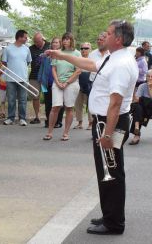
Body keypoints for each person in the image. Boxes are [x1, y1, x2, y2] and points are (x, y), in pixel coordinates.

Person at [46, 20, 138, 235]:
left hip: (110, 123)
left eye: (108, 33)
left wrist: (107, 135)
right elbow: (89, 65)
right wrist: (61, 55)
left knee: (111, 172)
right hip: (106, 121)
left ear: (118, 38)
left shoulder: (121, 64)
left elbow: (115, 103)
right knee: (107, 170)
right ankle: (110, 215)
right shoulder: (113, 58)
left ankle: (114, 222)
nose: (104, 36)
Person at [43, 32, 81, 141]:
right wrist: (58, 81)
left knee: (69, 107)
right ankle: (49, 132)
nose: (65, 41)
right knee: (55, 107)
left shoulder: (77, 53)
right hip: (58, 83)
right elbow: (53, 68)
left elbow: (78, 71)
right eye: (64, 39)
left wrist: (67, 82)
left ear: (71, 41)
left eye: (67, 39)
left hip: (71, 83)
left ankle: (65, 133)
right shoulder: (57, 53)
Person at [2, 30, 32, 126]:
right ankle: (10, 118)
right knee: (11, 99)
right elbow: (4, 63)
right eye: (25, 37)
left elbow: (28, 62)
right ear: (19, 37)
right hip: (10, 78)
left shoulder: (26, 49)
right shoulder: (8, 49)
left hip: (23, 78)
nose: (26, 39)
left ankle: (22, 118)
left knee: (23, 100)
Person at [37, 37, 64, 128]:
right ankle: (49, 120)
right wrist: (40, 79)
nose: (55, 44)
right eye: (53, 42)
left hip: (58, 82)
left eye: (57, 42)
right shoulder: (47, 54)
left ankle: (58, 121)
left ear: (60, 44)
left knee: (58, 103)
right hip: (46, 82)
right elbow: (41, 66)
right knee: (48, 103)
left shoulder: (63, 55)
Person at [29, 32, 50, 124]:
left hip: (46, 76)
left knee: (47, 96)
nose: (37, 43)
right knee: (35, 96)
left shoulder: (49, 46)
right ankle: (37, 116)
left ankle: (48, 116)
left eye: (38, 41)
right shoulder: (31, 48)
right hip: (34, 76)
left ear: (43, 39)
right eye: (35, 42)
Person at [129, 69, 152, 145]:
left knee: (144, 102)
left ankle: (136, 129)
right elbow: (136, 99)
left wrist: (150, 89)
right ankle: (137, 130)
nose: (150, 78)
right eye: (148, 76)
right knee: (137, 107)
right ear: (146, 77)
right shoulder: (142, 86)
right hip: (143, 109)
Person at [74, 42, 93, 130]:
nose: (83, 50)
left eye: (86, 48)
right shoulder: (77, 59)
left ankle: (90, 123)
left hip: (89, 84)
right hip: (78, 83)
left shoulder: (93, 59)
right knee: (78, 104)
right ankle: (79, 122)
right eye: (82, 48)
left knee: (90, 105)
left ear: (90, 49)